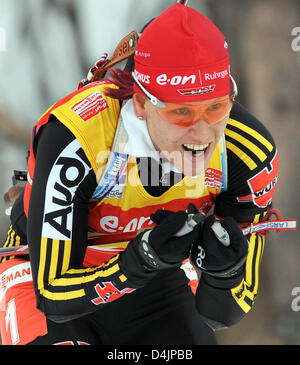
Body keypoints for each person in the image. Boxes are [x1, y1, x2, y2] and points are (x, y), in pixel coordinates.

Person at [0, 2, 279, 345]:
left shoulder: (247, 151)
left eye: (216, 107)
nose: (203, 133)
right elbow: (54, 296)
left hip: (159, 281)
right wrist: (137, 262)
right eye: (181, 112)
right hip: (47, 274)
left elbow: (222, 314)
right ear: (143, 104)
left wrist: (225, 273)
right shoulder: (78, 137)